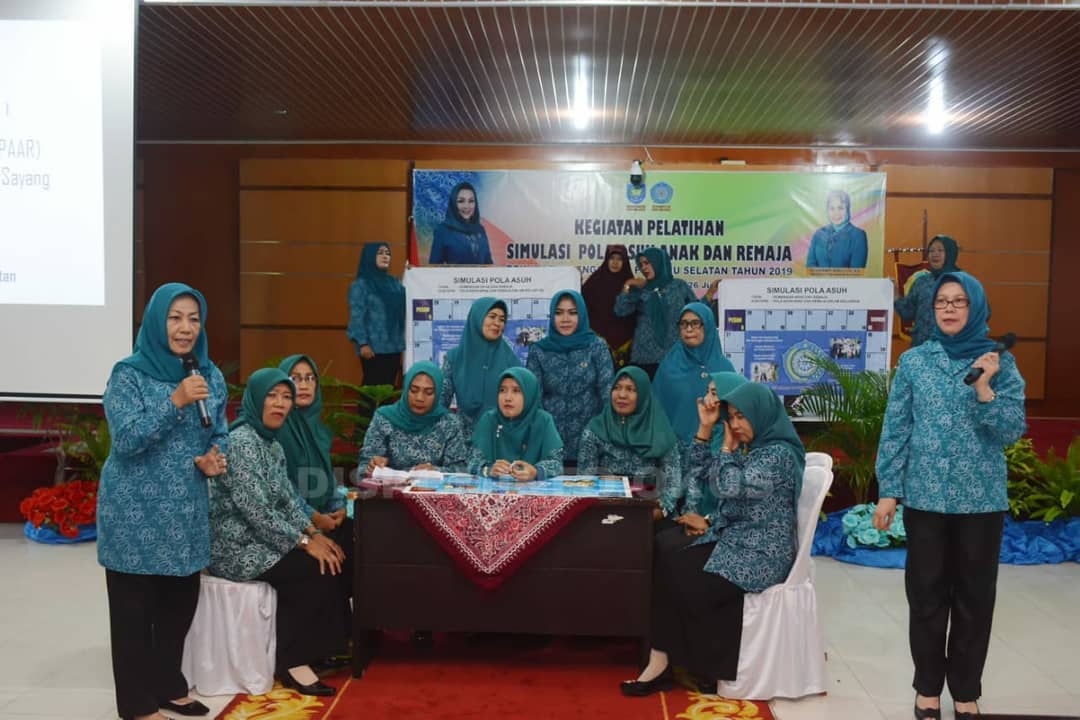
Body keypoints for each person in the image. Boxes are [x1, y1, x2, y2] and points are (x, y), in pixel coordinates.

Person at [872, 271, 1026, 720]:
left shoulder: (999, 362)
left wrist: (984, 389)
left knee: (975, 599)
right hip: (926, 498)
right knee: (926, 596)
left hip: (981, 501)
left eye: (959, 301)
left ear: (975, 307)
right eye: (941, 302)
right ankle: (926, 688)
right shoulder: (915, 362)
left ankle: (965, 690)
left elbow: (1012, 430)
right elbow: (896, 427)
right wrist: (889, 491)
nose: (949, 309)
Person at [97, 282, 229, 720]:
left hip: (185, 512)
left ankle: (168, 685)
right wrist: (175, 401)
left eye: (193, 319)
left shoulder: (209, 374)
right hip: (134, 514)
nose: (185, 328)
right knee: (134, 614)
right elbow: (126, 440)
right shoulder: (128, 375)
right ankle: (136, 705)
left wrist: (214, 456)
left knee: (179, 604)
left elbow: (219, 431)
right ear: (156, 322)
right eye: (175, 318)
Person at [620, 381, 803, 697]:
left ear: (762, 414)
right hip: (737, 540)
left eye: (741, 417)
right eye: (731, 418)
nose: (735, 425)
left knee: (681, 573)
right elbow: (702, 472)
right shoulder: (755, 449)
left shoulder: (778, 455)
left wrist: (726, 449)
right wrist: (705, 429)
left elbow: (729, 487)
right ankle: (666, 659)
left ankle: (696, 663)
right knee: (667, 553)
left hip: (760, 555)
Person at [209, 368, 347, 697]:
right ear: (256, 399)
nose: (280, 404)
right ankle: (293, 662)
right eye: (272, 396)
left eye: (286, 397)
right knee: (310, 568)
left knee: (330, 552)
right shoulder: (241, 443)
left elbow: (287, 500)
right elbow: (256, 512)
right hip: (236, 546)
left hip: (263, 537)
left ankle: (319, 649)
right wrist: (304, 542)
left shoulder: (271, 444)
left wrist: (314, 533)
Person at [576, 367, 683, 519]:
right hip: (605, 509)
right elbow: (585, 479)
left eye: (630, 389)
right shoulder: (596, 429)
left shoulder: (660, 431)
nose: (622, 395)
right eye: (617, 388)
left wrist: (660, 511)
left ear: (643, 394)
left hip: (651, 509)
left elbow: (674, 482)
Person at [526, 290, 614, 464]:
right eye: (559, 313)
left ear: (581, 315)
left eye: (572, 313)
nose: (565, 319)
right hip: (550, 444)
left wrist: (604, 436)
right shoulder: (539, 350)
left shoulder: (596, 346)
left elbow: (608, 394)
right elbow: (533, 398)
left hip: (590, 443)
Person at [360, 360, 469, 474]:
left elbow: (460, 470)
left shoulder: (450, 423)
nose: (419, 398)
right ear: (406, 389)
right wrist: (372, 465)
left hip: (432, 485)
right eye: (414, 390)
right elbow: (363, 467)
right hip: (391, 484)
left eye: (428, 392)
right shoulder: (384, 418)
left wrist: (435, 471)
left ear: (437, 394)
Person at [653, 303, 735, 444]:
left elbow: (733, 414)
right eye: (684, 324)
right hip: (674, 448)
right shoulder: (669, 366)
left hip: (714, 448)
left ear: (708, 326)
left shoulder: (724, 368)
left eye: (695, 323)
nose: (689, 329)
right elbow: (655, 411)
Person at [440, 297, 520, 440]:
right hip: (463, 443)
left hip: (502, 441)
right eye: (492, 317)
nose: (497, 323)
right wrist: (451, 431)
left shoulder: (511, 360)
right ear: (477, 318)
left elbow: (524, 405)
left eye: (502, 319)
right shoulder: (455, 358)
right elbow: (440, 402)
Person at [468, 367, 564, 481]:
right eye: (502, 390)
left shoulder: (543, 420)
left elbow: (556, 464)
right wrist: (489, 469)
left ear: (529, 394)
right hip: (494, 490)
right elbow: (473, 462)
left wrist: (535, 472)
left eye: (516, 391)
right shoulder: (489, 419)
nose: (507, 398)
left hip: (532, 490)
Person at [615, 247, 697, 378]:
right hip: (645, 356)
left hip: (673, 355)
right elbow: (621, 311)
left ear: (658, 262)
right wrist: (627, 285)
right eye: (641, 264)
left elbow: (697, 310)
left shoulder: (678, 286)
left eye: (647, 263)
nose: (644, 268)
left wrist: (709, 295)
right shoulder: (641, 289)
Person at [347, 242, 405, 386]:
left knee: (389, 387)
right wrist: (363, 343)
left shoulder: (395, 283)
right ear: (369, 256)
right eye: (380, 253)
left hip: (394, 346)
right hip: (372, 348)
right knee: (372, 386)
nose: (385, 256)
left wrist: (412, 274)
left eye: (388, 253)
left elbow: (407, 304)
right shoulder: (361, 285)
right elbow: (357, 316)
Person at [894, 234, 962, 348]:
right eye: (931, 250)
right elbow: (907, 312)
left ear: (950, 253)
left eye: (940, 250)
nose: (935, 254)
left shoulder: (963, 281)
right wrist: (895, 295)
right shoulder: (921, 281)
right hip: (921, 347)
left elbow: (979, 314)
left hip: (952, 348)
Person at [581, 244, 637, 359]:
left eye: (619, 259)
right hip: (596, 341)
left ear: (625, 262)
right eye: (612, 258)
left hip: (626, 346)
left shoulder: (631, 285)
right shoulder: (594, 282)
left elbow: (635, 316)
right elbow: (582, 308)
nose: (615, 263)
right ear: (606, 259)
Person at [428, 181, 493, 265]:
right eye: (461, 201)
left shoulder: (480, 229)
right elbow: (434, 266)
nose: (467, 206)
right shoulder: (442, 230)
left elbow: (488, 263)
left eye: (471, 201)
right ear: (453, 203)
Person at [806, 189, 869, 269]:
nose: (836, 213)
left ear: (848, 209)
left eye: (841, 208)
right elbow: (810, 266)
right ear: (827, 210)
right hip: (817, 278)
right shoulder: (818, 234)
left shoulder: (858, 235)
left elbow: (856, 271)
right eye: (832, 208)